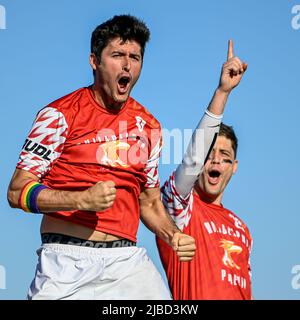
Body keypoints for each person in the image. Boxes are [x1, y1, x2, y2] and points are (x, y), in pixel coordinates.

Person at [7, 15, 196, 300]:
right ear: (94, 61)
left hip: (127, 264)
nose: (127, 65)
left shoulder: (150, 127)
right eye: (117, 55)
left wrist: (172, 234)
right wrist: (80, 200)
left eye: (135, 56)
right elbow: (17, 191)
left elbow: (149, 201)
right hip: (65, 263)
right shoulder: (58, 115)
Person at [157, 40, 253, 299]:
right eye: (209, 155)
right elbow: (192, 159)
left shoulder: (242, 228)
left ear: (233, 168)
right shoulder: (180, 208)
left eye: (224, 157)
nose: (215, 162)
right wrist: (223, 92)